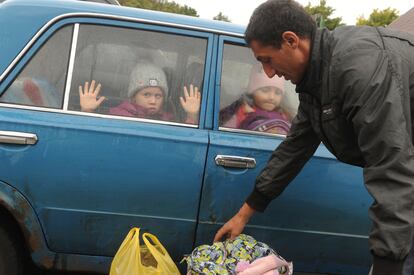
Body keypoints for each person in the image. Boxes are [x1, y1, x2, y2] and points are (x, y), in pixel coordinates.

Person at [214, 1, 414, 275]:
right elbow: (295, 148)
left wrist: (387, 264)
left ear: (291, 40)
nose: (270, 74)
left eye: (267, 60)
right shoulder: (316, 79)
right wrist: (244, 214)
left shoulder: (359, 69)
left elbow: (390, 166)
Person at [79, 62, 200, 124]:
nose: (153, 101)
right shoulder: (117, 116)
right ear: (133, 97)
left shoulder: (169, 119)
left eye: (158, 96)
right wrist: (87, 111)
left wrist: (191, 115)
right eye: (146, 94)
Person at [220, 64, 292, 135]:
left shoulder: (286, 116)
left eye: (278, 93)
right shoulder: (241, 112)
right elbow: (225, 136)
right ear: (252, 92)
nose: (271, 97)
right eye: (265, 90)